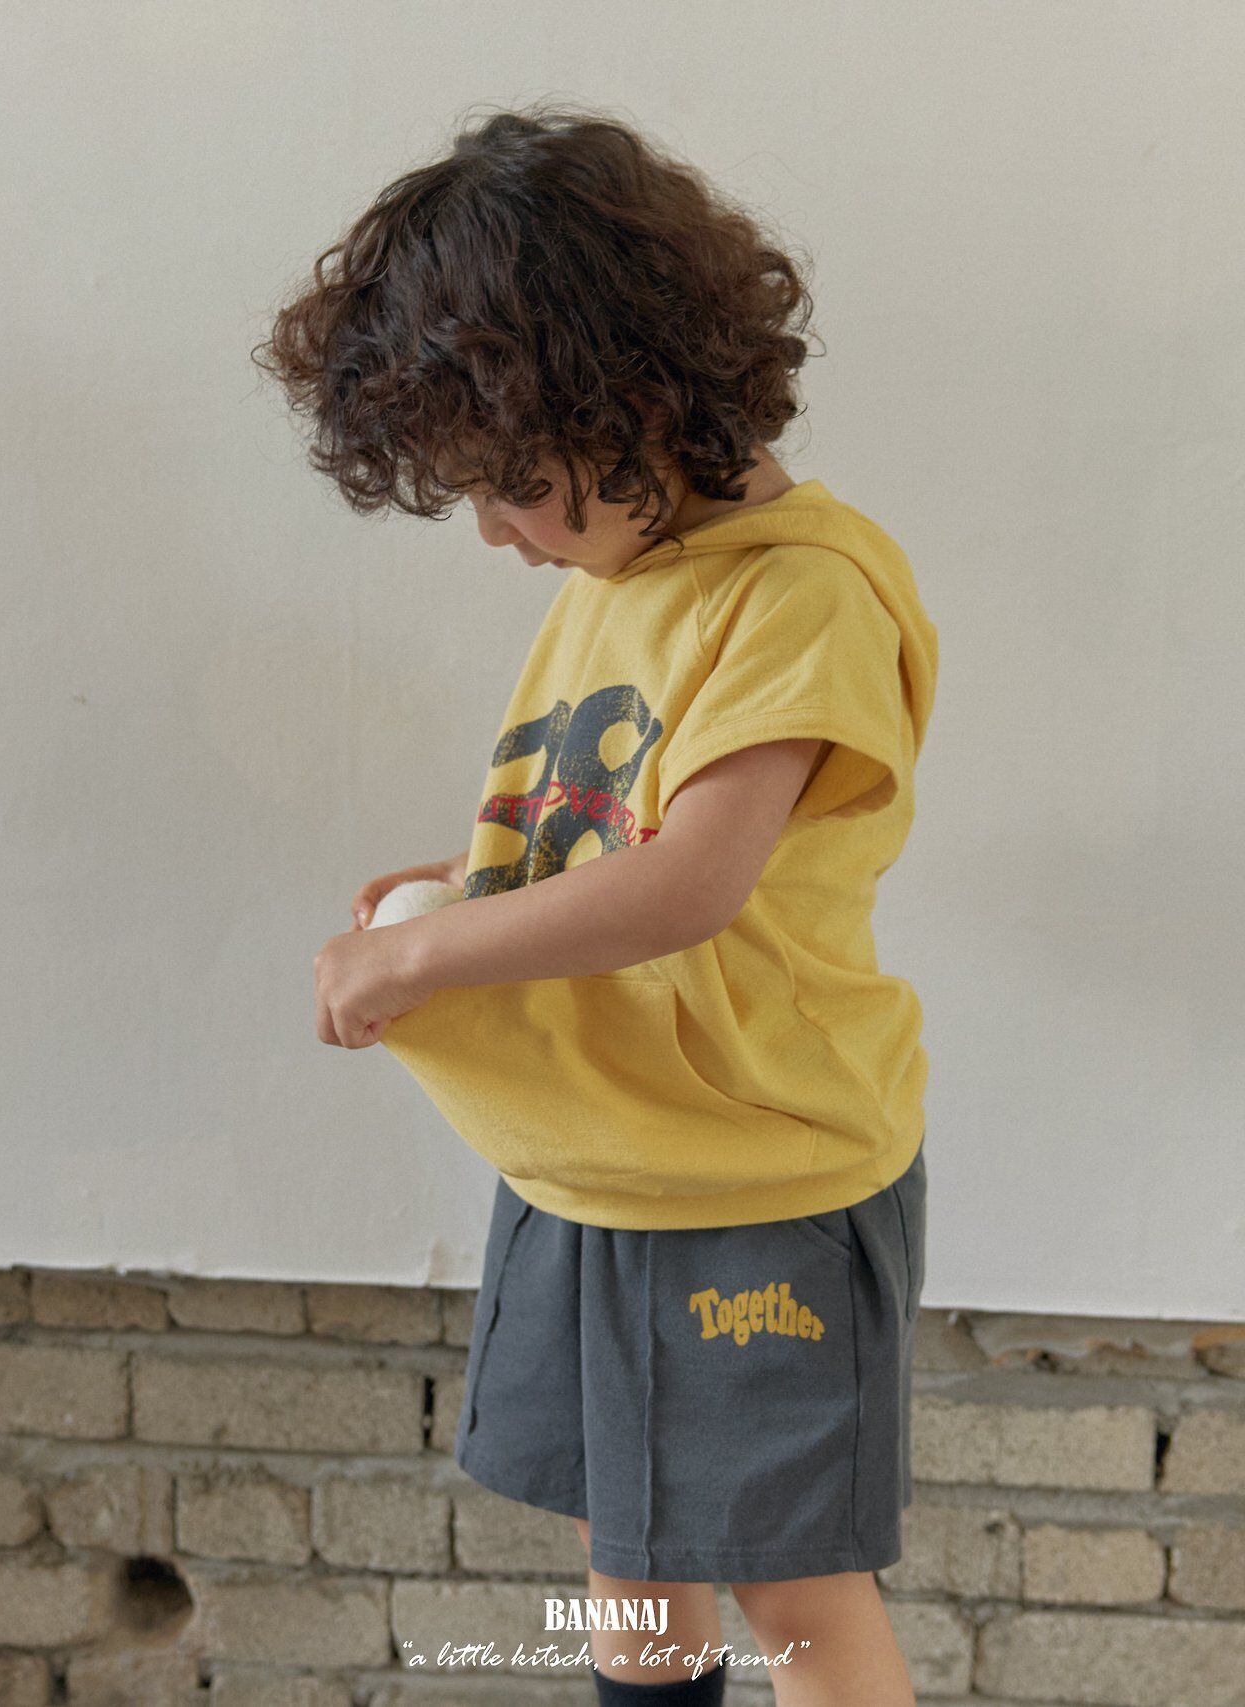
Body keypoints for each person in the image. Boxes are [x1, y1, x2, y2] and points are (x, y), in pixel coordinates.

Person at [257, 101, 937, 1707]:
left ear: (625, 400)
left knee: (792, 1589)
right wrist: (463, 884)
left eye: (515, 485)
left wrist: (428, 950)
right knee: (626, 1557)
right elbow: (606, 842)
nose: (497, 533)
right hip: (595, 1164)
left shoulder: (804, 593)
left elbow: (690, 883)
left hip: (756, 1175)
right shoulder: (617, 578)